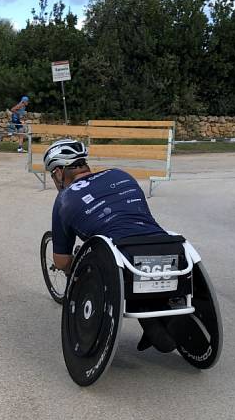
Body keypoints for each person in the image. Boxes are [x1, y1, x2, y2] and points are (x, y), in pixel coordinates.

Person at [45, 139, 176, 352]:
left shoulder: (64, 199)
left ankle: (150, 324)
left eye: (52, 175)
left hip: (122, 260)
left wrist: (74, 270)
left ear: (59, 171)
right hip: (164, 245)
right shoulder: (119, 174)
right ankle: (161, 319)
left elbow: (60, 261)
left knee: (107, 262)